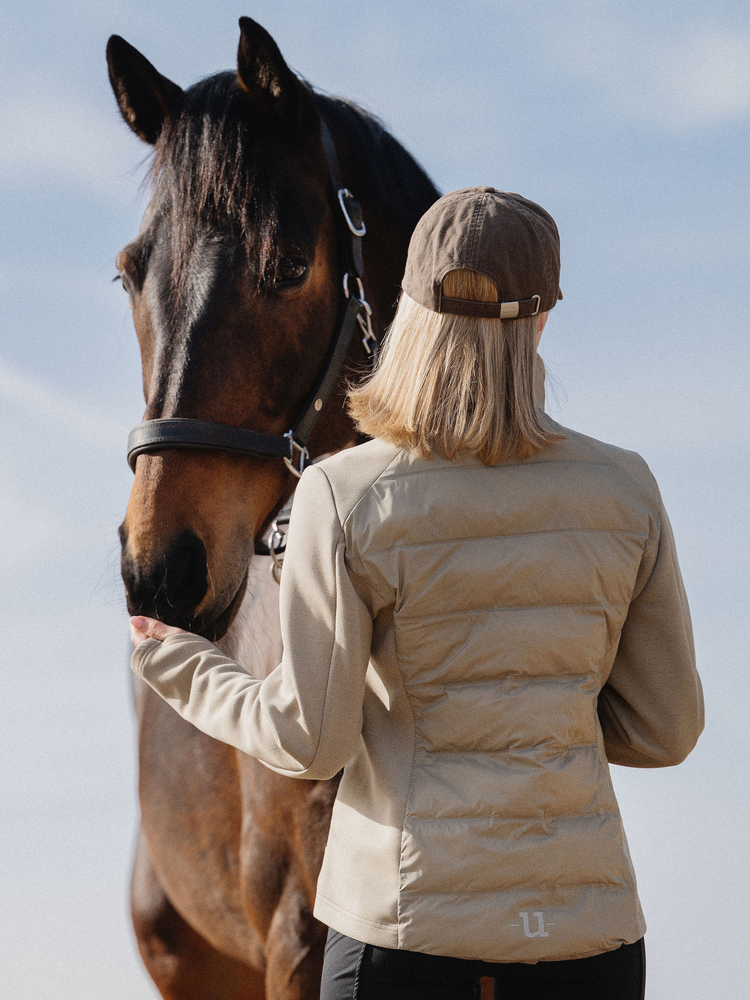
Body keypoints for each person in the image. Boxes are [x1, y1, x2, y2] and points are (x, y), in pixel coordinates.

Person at [130, 187, 703, 1000]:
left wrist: (179, 664)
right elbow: (668, 728)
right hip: (588, 943)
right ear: (542, 320)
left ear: (410, 308)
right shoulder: (626, 490)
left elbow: (309, 740)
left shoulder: (346, 493)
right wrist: (540, 703)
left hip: (402, 942)